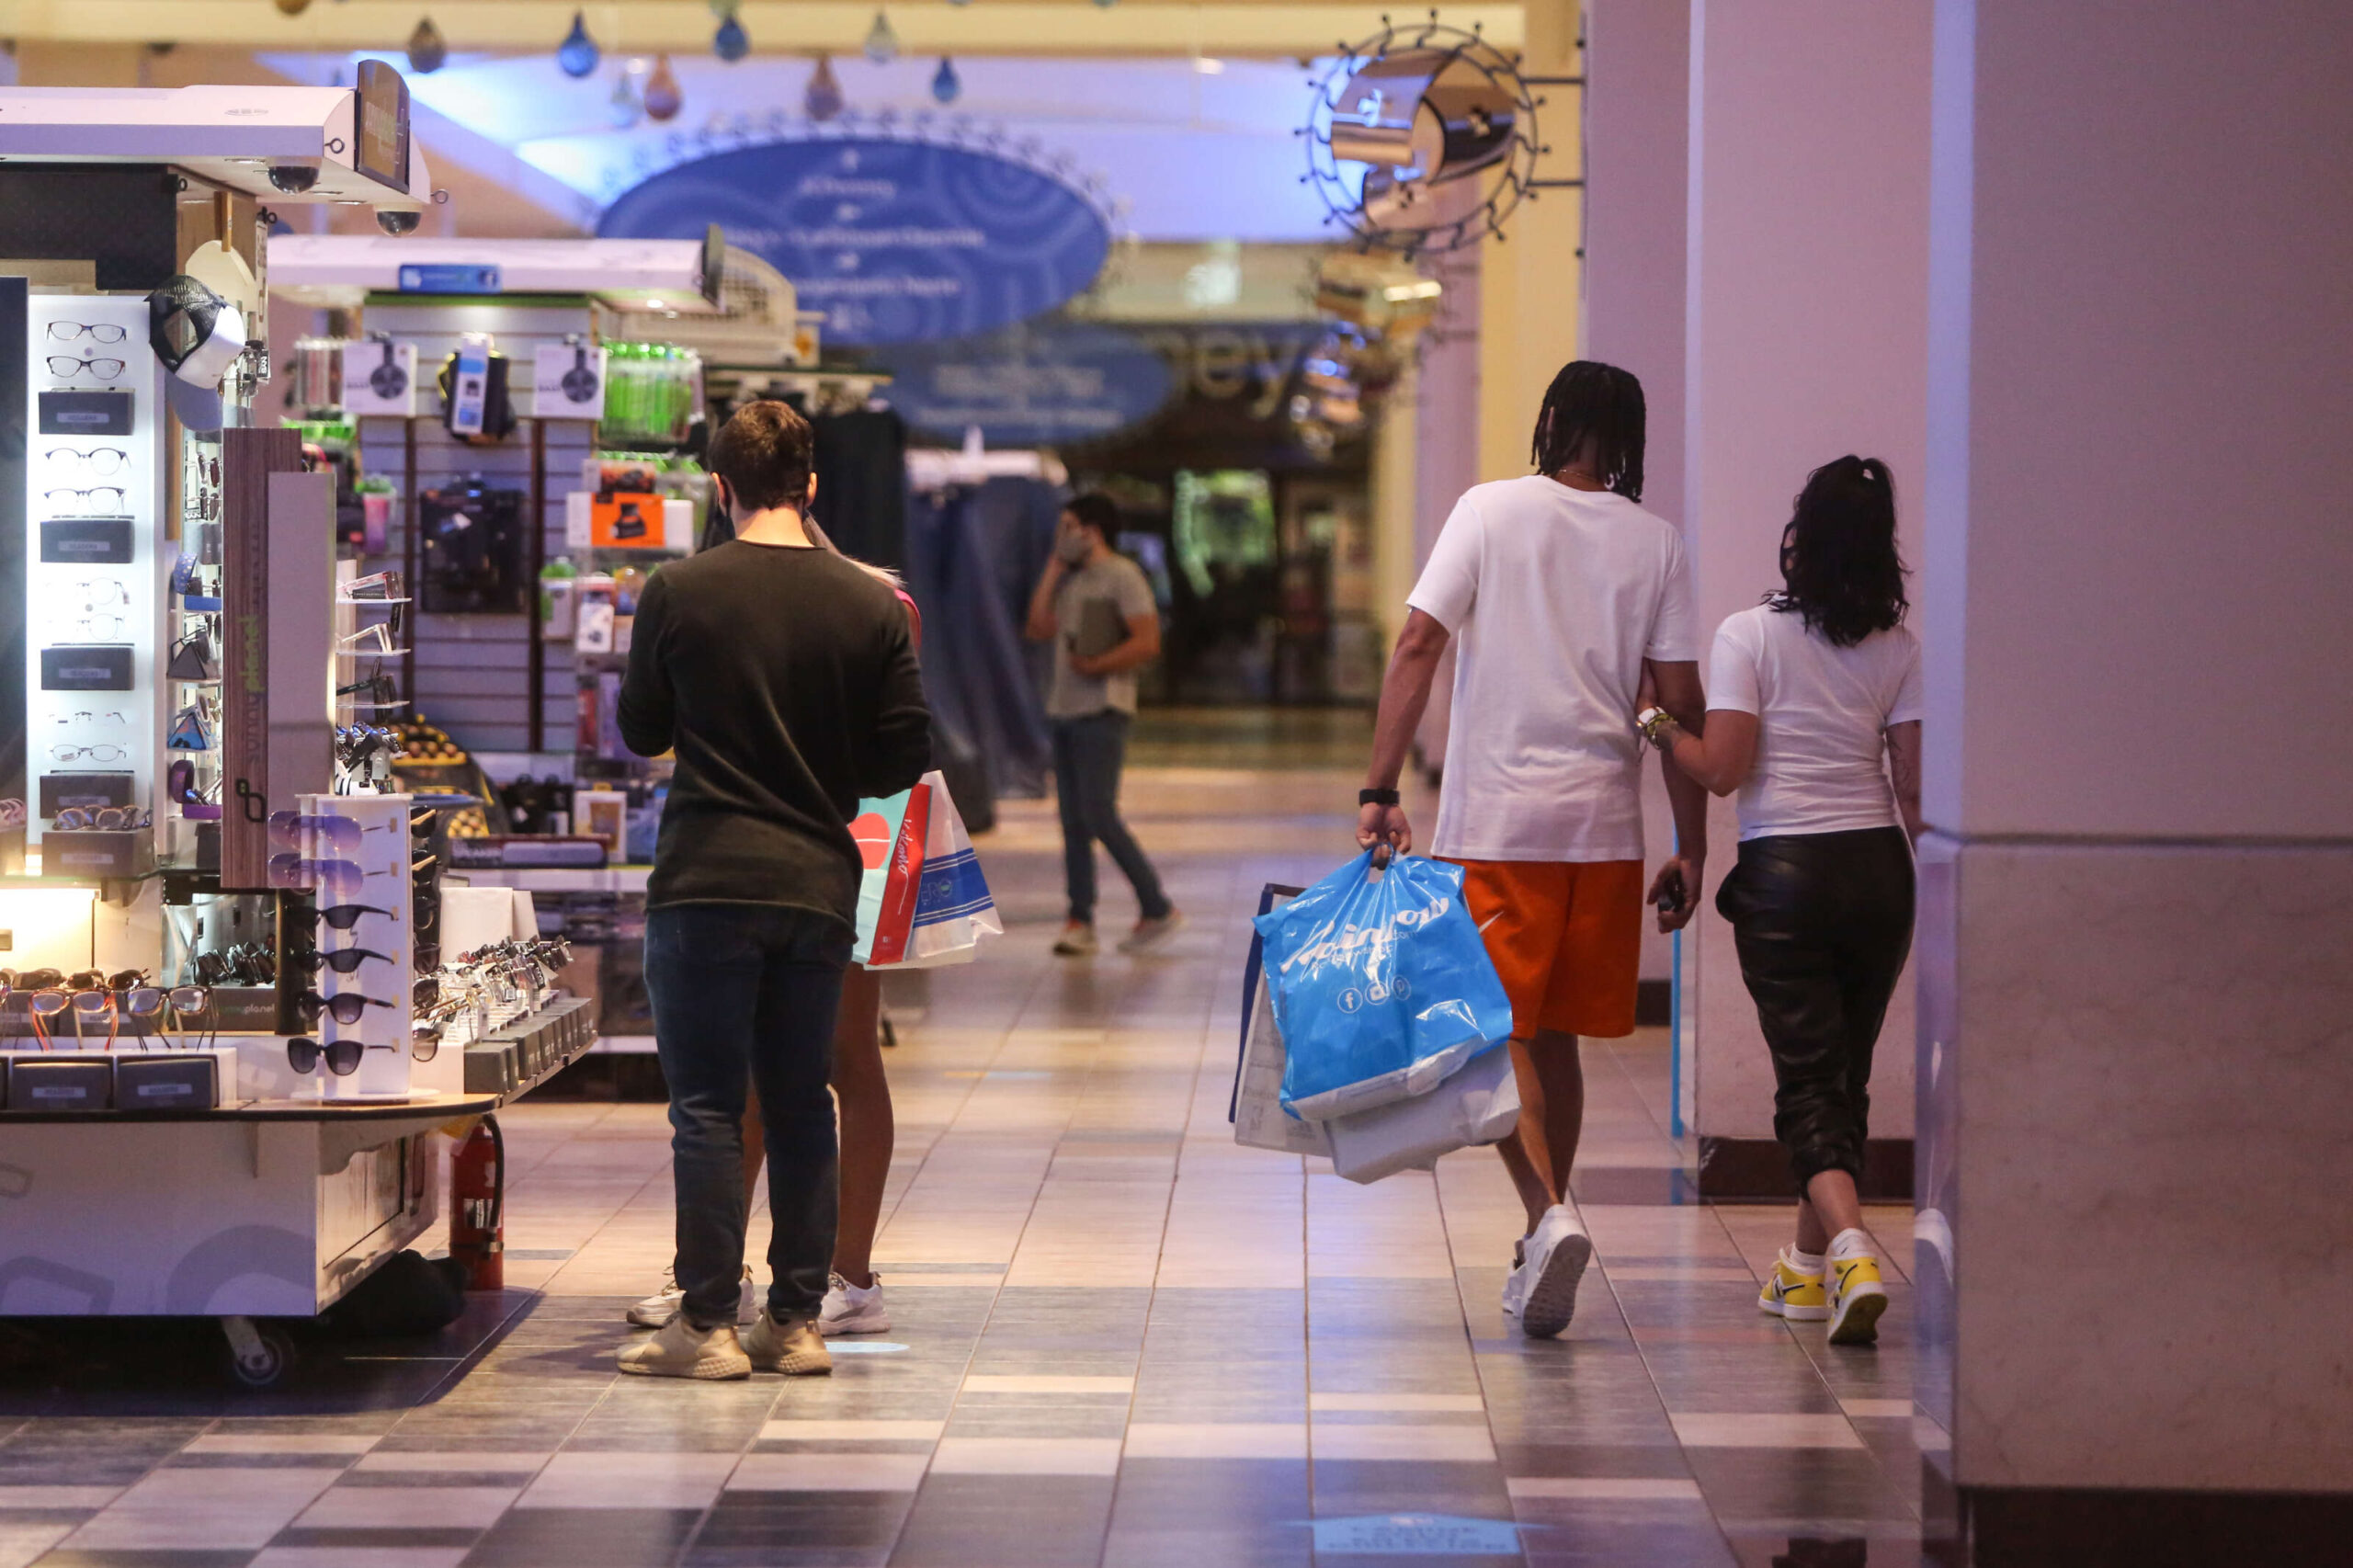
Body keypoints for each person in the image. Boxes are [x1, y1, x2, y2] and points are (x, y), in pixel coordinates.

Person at [1358, 361, 1711, 1340]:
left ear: (1551, 420)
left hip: (1499, 825)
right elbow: (1678, 707)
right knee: (1550, 1033)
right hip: (1603, 832)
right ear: (1630, 436)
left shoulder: (1488, 510)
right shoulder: (1657, 543)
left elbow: (1418, 642)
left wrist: (1381, 786)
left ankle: (1546, 1212)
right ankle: (1535, 1234)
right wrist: (1691, 842)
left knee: (1488, 1031)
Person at [615, 400, 929, 1380]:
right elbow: (906, 750)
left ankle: (706, 1324)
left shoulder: (679, 589)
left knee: (708, 1105)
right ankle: (794, 1323)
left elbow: (640, 729)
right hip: (819, 882)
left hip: (705, 876)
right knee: (800, 1099)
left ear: (719, 485)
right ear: (812, 486)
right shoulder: (870, 602)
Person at [1637, 455, 1921, 1346]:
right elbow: (1913, 791)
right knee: (1844, 1074)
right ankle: (1805, 1274)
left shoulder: (1747, 636)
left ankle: (1849, 1244)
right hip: (1879, 875)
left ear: (1800, 536)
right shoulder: (1899, 648)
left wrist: (1656, 724)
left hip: (1786, 878)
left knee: (1807, 1080)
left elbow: (1721, 771)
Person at [1024, 492, 1182, 957]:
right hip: (1065, 710)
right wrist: (1054, 566)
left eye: (1068, 527)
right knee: (1073, 822)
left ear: (1092, 531)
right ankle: (1080, 918)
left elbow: (1148, 641)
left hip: (1102, 711)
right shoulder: (1072, 579)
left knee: (1099, 813)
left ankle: (1155, 905)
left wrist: (1100, 665)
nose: (1062, 536)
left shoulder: (1123, 576)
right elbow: (1036, 625)